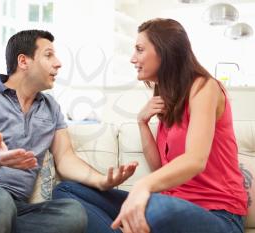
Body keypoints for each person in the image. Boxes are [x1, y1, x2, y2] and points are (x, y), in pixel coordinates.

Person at [0, 30, 138, 233]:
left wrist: (102, 181)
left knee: (73, 214)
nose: (58, 63)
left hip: (14, 206)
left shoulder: (51, 107)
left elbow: (65, 158)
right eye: (49, 55)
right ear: (23, 61)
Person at [53, 18, 247, 233]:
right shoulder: (168, 98)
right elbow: (160, 169)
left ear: (165, 51)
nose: (132, 58)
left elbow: (195, 160)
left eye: (139, 49)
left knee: (155, 205)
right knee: (67, 190)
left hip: (217, 215)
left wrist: (142, 186)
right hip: (172, 205)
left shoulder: (204, 86)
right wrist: (142, 123)